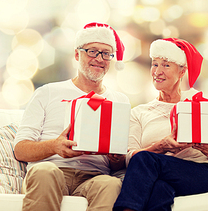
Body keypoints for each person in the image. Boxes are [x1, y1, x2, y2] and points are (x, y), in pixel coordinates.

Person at [14, 22, 129, 211]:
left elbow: (118, 165)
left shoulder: (120, 100)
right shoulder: (48, 92)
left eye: (106, 53)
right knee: (44, 171)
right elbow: (20, 150)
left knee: (111, 184)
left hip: (93, 177)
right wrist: (54, 146)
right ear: (77, 54)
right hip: (52, 171)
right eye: (92, 51)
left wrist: (116, 157)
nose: (99, 58)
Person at [113, 38, 208, 211]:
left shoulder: (198, 105)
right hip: (160, 176)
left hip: (201, 175)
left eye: (166, 65)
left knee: (145, 160)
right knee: (160, 188)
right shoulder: (139, 113)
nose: (157, 71)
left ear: (182, 71)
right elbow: (130, 159)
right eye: (155, 64)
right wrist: (160, 147)